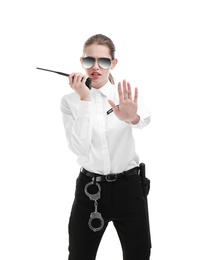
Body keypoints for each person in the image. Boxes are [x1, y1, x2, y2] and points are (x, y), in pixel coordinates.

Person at [60, 34, 152, 260]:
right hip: (90, 190)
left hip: (129, 189)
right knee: (80, 254)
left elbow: (143, 120)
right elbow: (80, 148)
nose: (96, 68)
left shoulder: (125, 95)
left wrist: (131, 117)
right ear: (82, 62)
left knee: (139, 254)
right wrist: (84, 99)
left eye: (104, 61)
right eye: (90, 60)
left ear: (113, 63)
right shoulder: (70, 101)